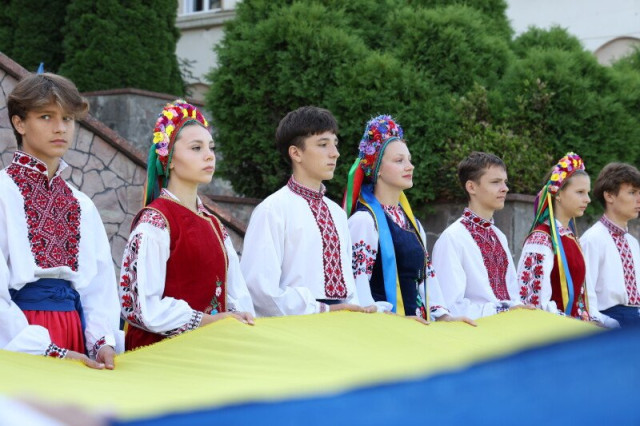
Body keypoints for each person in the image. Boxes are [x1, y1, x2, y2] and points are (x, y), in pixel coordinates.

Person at [0, 73, 122, 368]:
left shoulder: (81, 204)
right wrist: (43, 348)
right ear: (19, 123)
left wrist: (102, 341)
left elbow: (99, 286)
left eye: (67, 118)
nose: (60, 128)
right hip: (20, 338)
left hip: (74, 331)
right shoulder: (3, 192)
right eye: (46, 116)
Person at [118, 100, 255, 351]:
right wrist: (207, 321)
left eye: (211, 148)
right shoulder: (156, 222)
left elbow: (236, 294)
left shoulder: (214, 225)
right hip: (163, 356)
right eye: (196, 148)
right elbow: (139, 307)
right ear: (169, 159)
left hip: (210, 352)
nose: (209, 155)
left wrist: (239, 317)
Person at [241, 106, 375, 316]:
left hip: (340, 323)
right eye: (323, 144)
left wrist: (356, 309)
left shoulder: (337, 213)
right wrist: (322, 309)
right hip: (295, 325)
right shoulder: (272, 210)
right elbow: (259, 289)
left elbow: (349, 287)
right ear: (296, 153)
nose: (335, 153)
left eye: (335, 144)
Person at [345, 115, 475, 326]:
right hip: (381, 330)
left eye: (409, 160)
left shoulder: (413, 223)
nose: (410, 166)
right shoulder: (364, 222)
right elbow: (358, 294)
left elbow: (427, 279)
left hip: (415, 328)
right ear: (377, 168)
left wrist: (445, 316)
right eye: (399, 161)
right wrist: (397, 320)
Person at [516, 153, 614, 326]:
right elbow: (532, 304)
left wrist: (598, 321)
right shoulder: (541, 239)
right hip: (553, 331)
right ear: (558, 194)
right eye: (580, 192)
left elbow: (584, 299)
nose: (587, 199)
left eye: (587, 193)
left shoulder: (570, 237)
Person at [432, 152, 525, 319]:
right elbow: (449, 307)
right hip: (476, 331)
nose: (505, 188)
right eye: (495, 182)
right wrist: (501, 310)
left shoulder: (499, 236)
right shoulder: (452, 238)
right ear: (471, 187)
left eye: (505, 182)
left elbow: (513, 295)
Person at [580, 163, 640, 326]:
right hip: (609, 323)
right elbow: (585, 295)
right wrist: (606, 323)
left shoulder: (633, 243)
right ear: (609, 196)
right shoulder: (592, 239)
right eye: (632, 192)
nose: (638, 200)